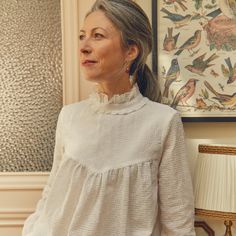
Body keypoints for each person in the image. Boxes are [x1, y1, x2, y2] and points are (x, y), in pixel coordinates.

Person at [22, 0, 196, 235]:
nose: (84, 46)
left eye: (98, 36)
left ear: (131, 51)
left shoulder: (163, 122)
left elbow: (178, 221)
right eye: (82, 36)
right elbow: (52, 195)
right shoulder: (69, 117)